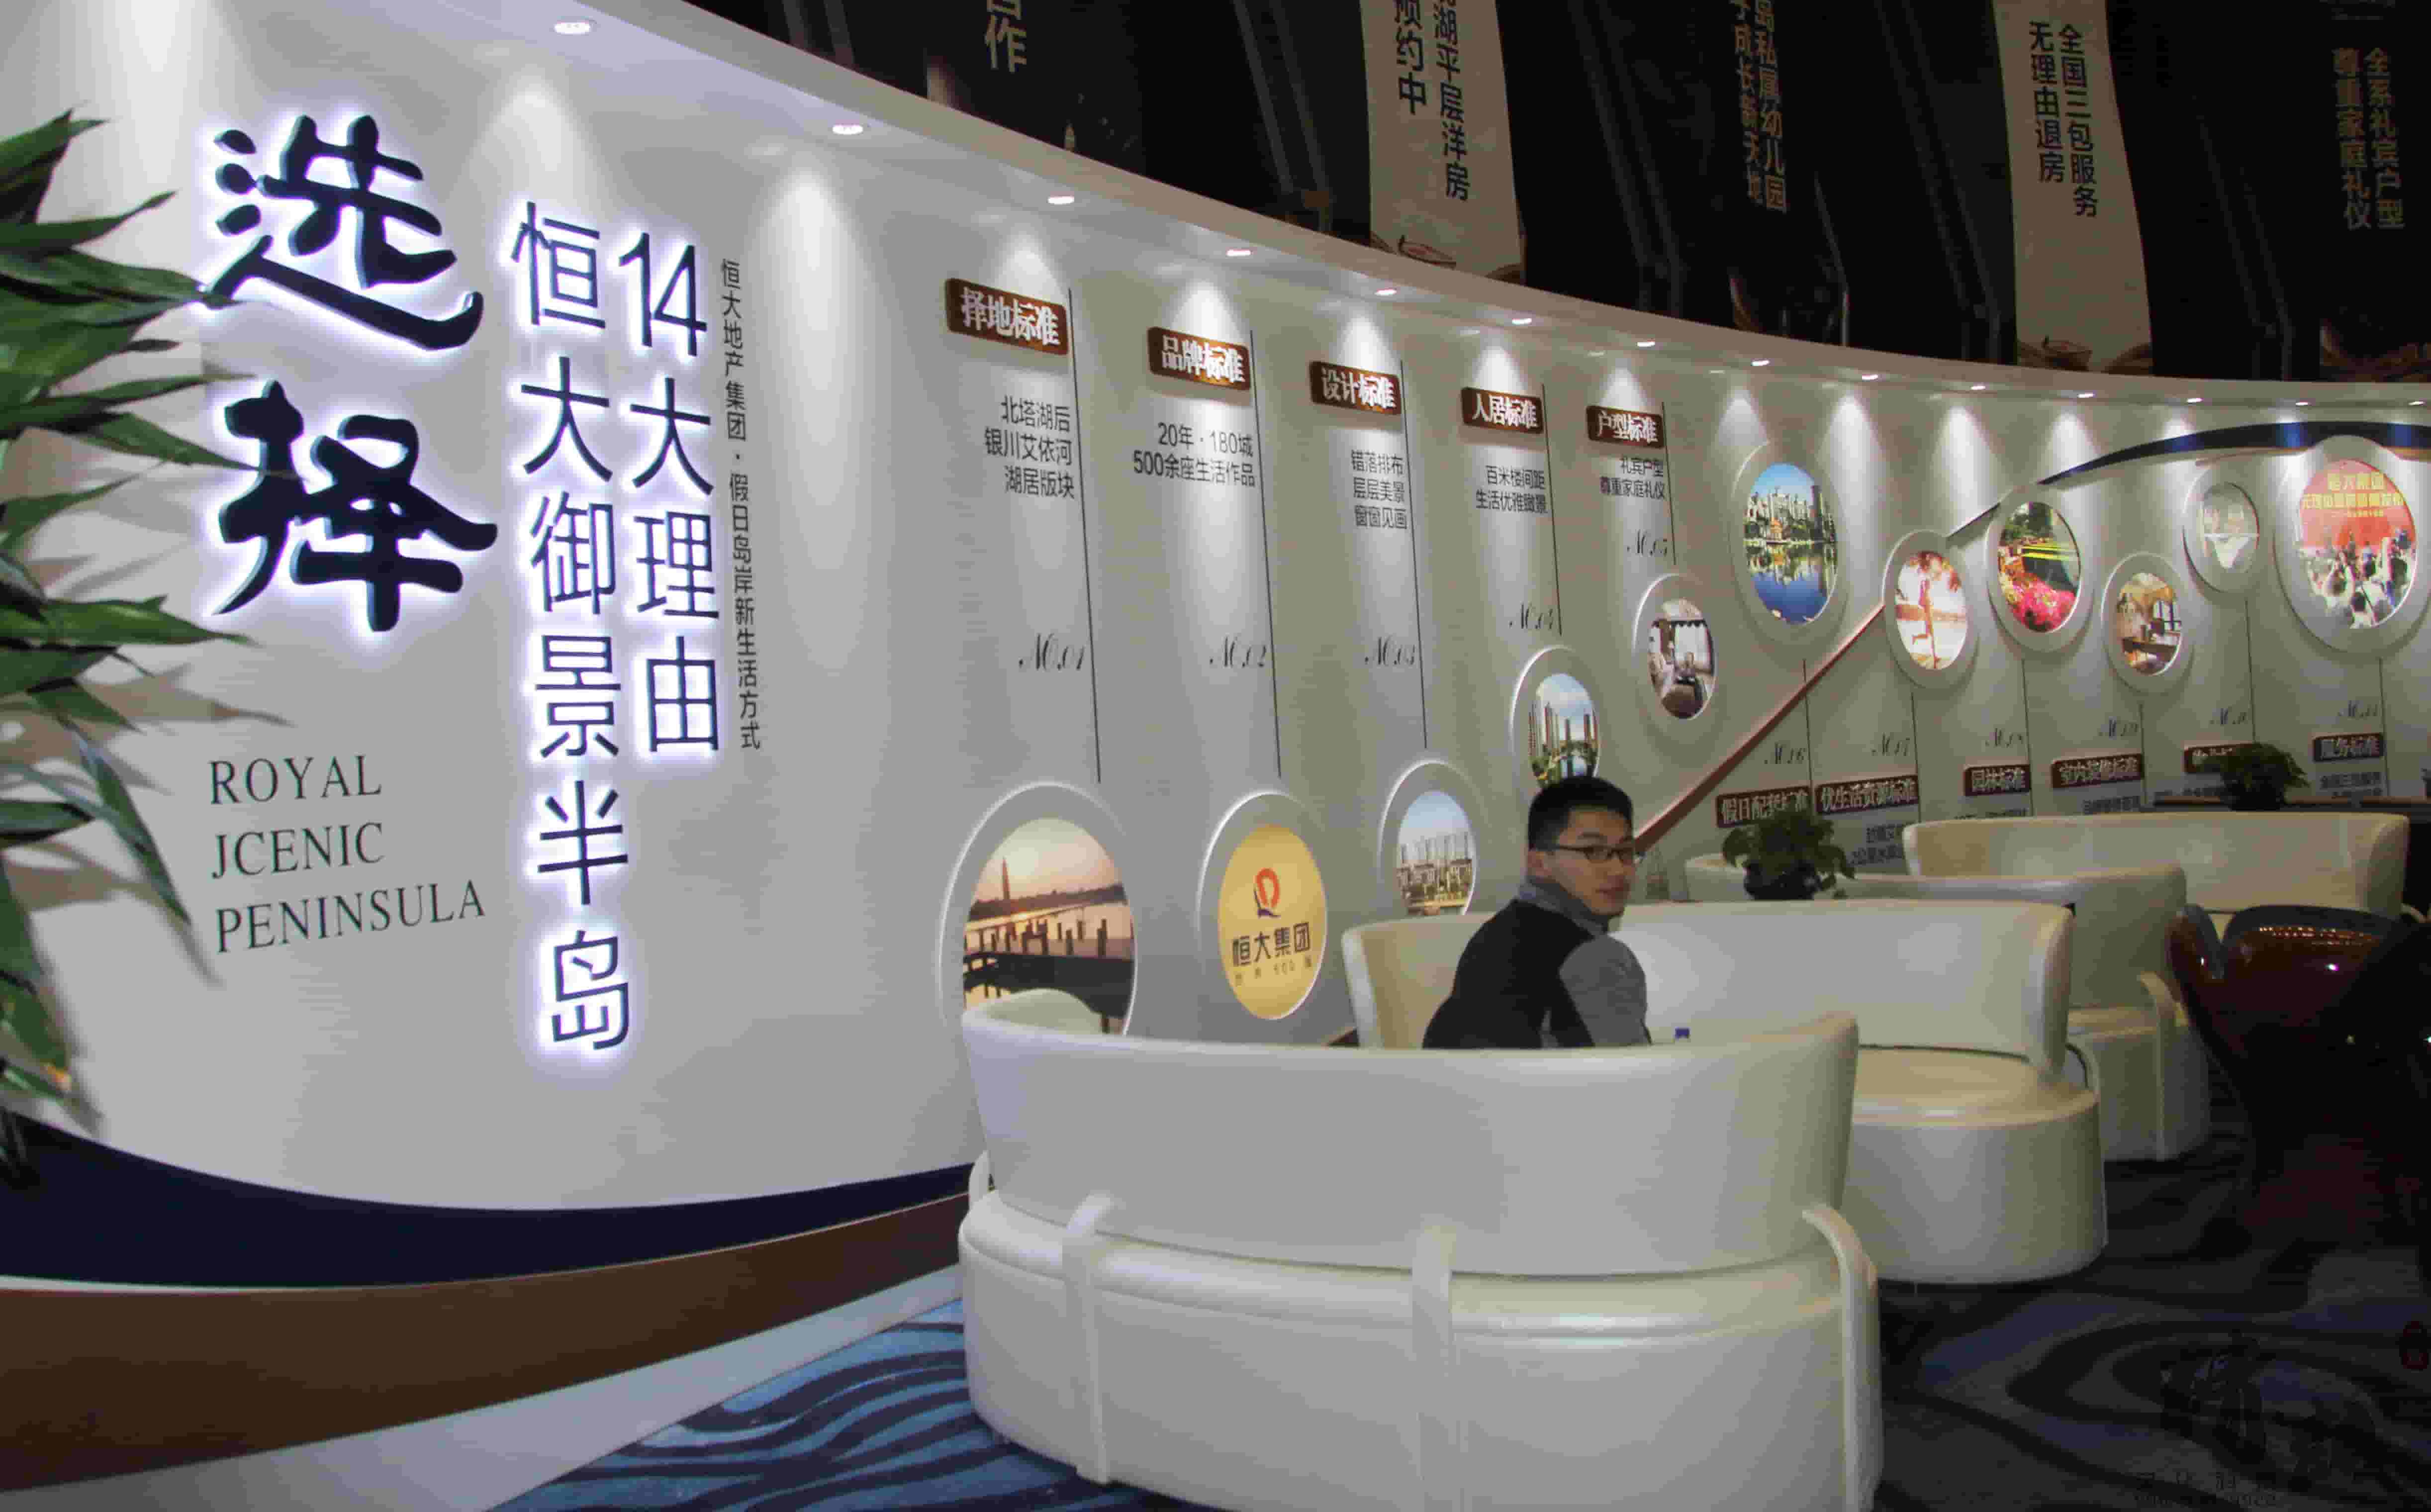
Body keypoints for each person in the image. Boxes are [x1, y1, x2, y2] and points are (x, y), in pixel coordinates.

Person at [1421, 775, 1651, 1049]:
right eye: (1594, 851)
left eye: (1625, 851)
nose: (1618, 870)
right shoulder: (1597, 959)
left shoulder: (1492, 938)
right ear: (1538, 863)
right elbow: (1634, 1070)